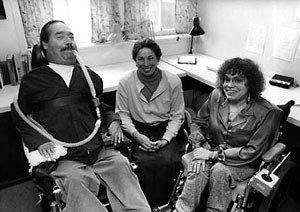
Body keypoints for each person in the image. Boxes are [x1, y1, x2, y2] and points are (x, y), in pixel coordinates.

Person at [12, 20, 151, 212]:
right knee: (76, 182)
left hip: (97, 150)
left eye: (71, 37)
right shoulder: (32, 81)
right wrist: (39, 140)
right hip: (66, 157)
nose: (68, 41)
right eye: (59, 37)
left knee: (122, 166)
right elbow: (20, 115)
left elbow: (100, 107)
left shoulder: (90, 77)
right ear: (44, 44)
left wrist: (113, 121)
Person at [174, 57, 283, 212]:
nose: (230, 85)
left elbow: (252, 151)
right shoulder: (216, 96)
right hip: (210, 149)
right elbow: (198, 122)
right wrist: (198, 148)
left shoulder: (267, 113)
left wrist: (212, 155)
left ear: (250, 84)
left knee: (220, 171)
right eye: (227, 79)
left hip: (243, 162)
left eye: (238, 80)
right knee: (198, 167)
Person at [115, 38, 186, 207]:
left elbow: (177, 116)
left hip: (166, 129)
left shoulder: (173, 81)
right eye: (140, 59)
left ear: (158, 58)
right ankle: (144, 206)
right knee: (143, 164)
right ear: (135, 61)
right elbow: (122, 115)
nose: (146, 63)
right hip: (137, 129)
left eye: (150, 58)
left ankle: (168, 205)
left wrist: (166, 139)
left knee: (170, 161)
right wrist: (137, 136)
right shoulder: (126, 82)